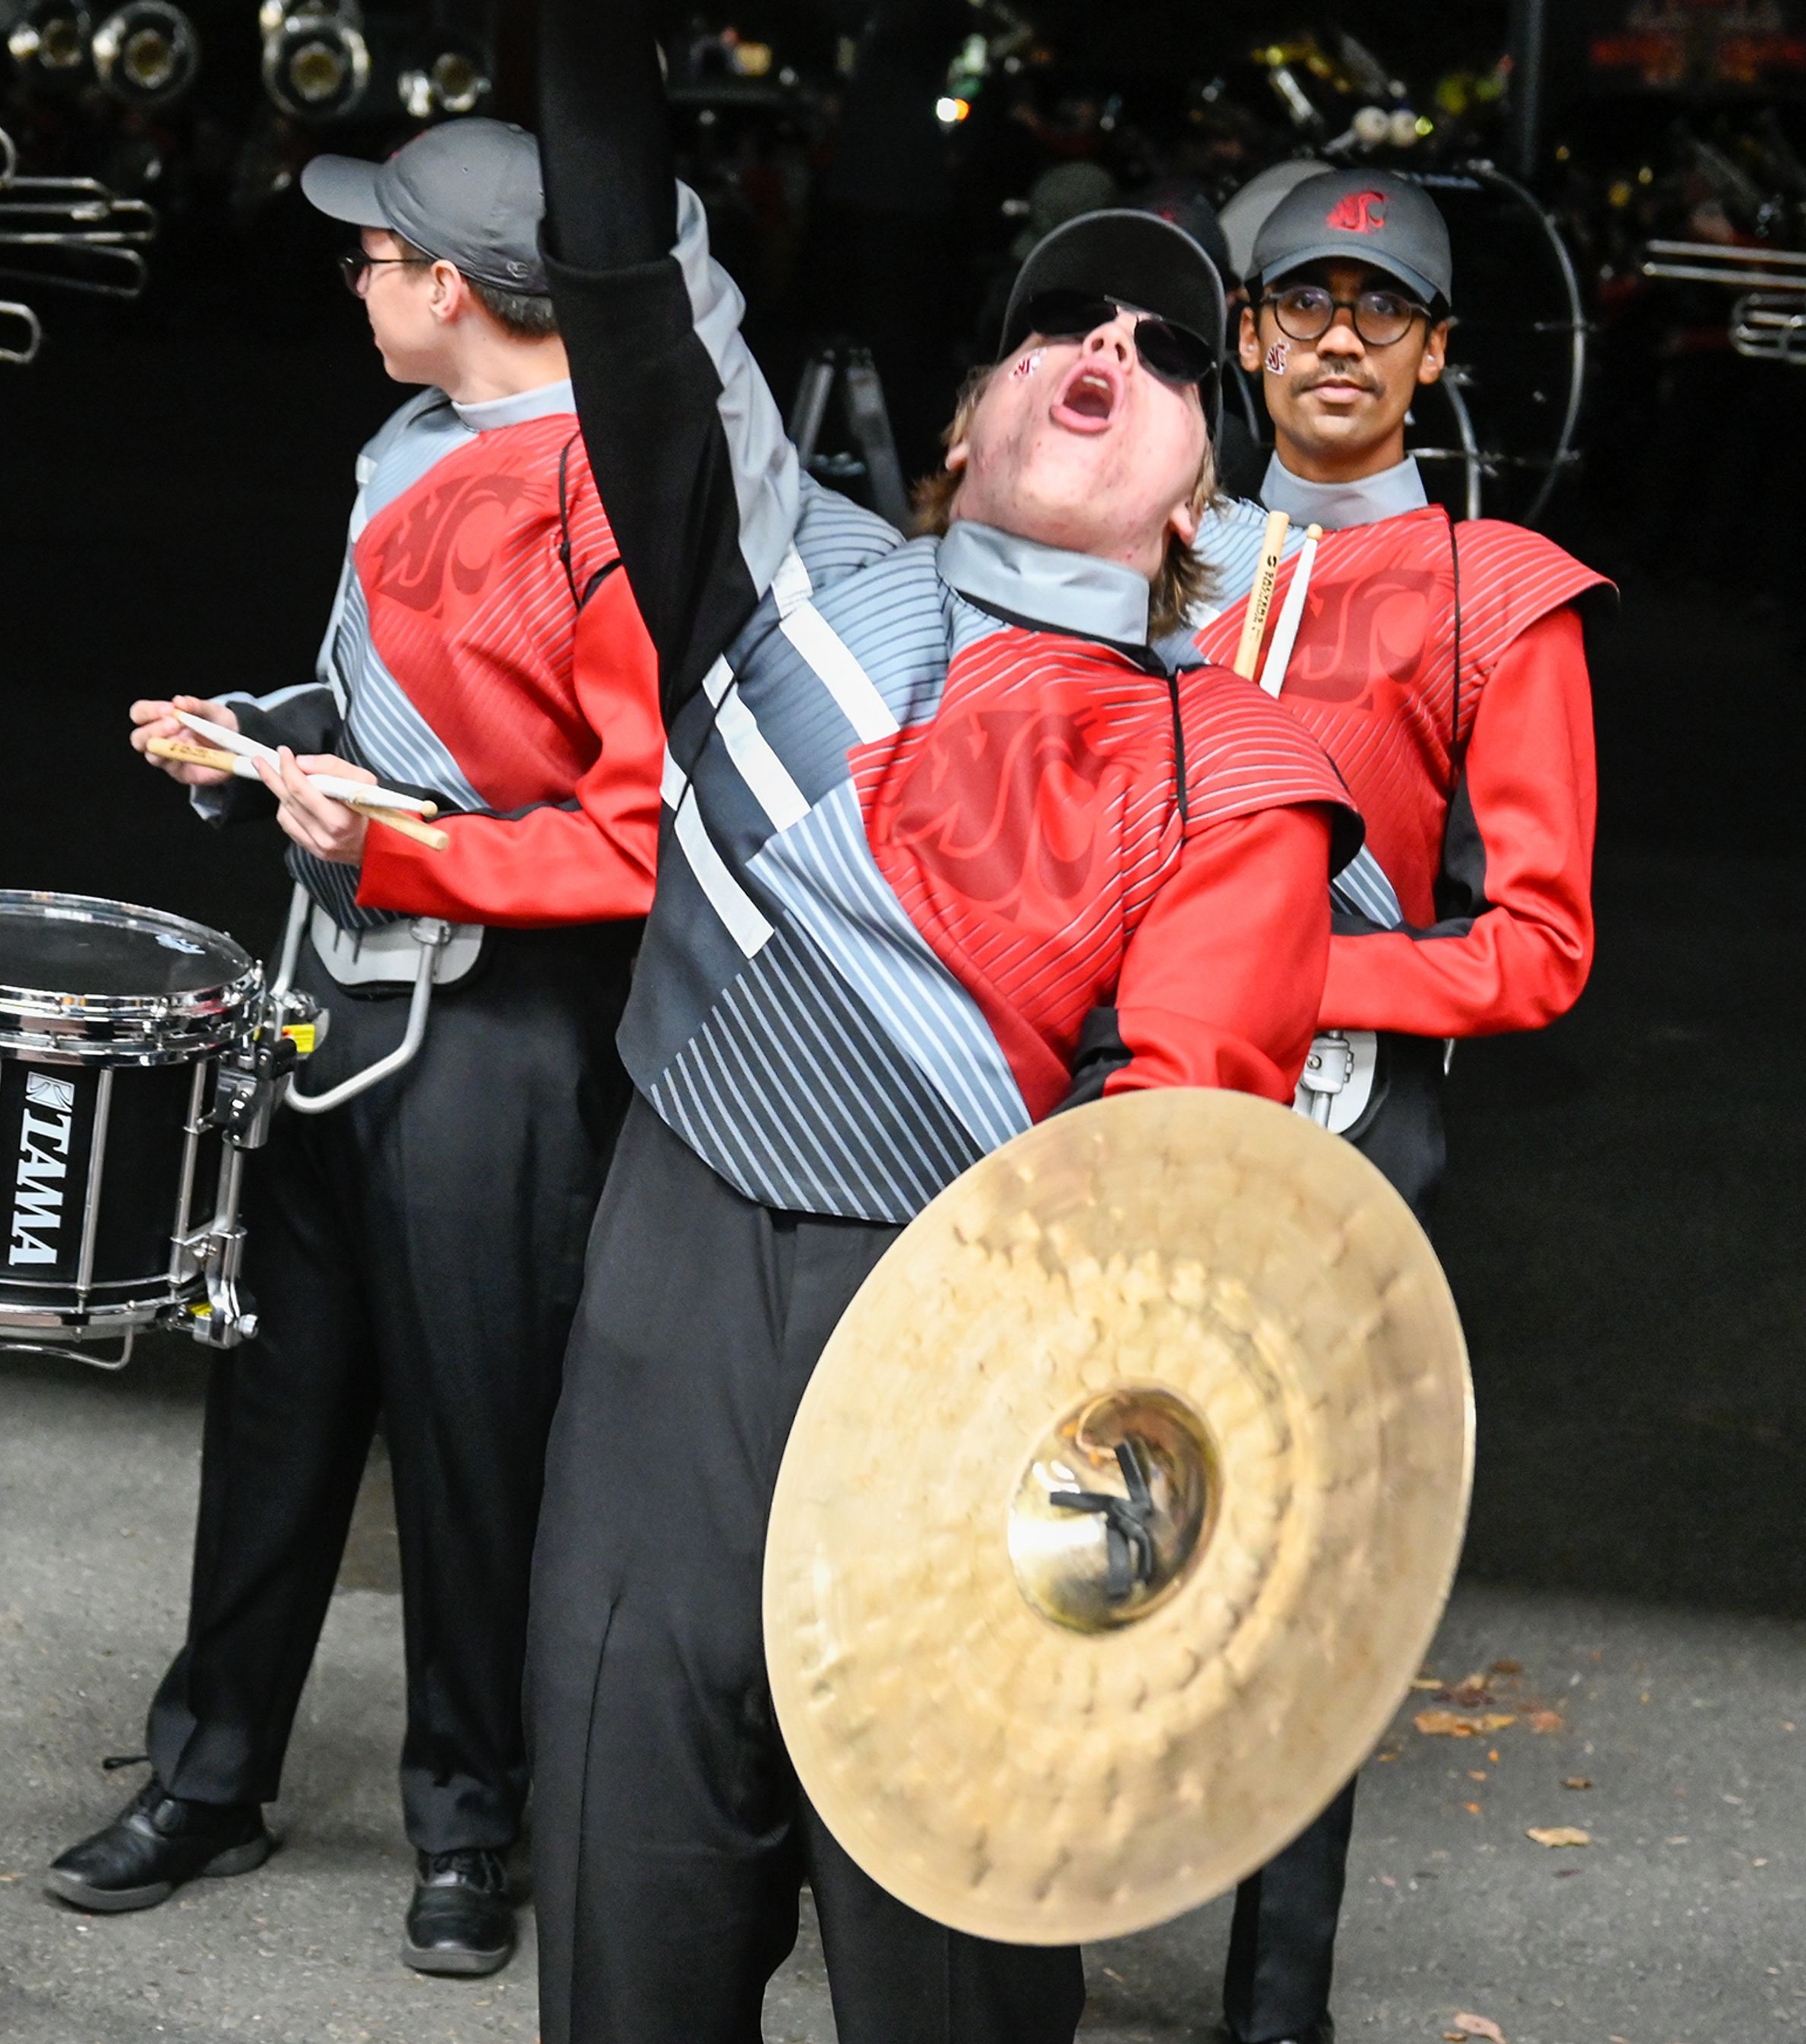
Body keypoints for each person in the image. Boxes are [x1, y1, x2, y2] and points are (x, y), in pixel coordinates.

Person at [521, 4, 1365, 2038]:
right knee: (624, 1959)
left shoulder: (1237, 766)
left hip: (987, 1379)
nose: (1123, 360)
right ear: (963, 425)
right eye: (1068, 331)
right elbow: (631, 271)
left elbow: (1173, 1161)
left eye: (1176, 363)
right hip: (670, 1327)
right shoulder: (778, 571)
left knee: (959, 2001)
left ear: (1197, 512)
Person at [46, 119, 663, 1978]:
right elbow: (380, 696)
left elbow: (640, 833)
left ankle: (476, 1818)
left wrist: (395, 840)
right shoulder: (408, 444)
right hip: (329, 995)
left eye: (375, 256)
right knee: (277, 1411)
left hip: (497, 1042)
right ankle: (210, 1769)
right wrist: (256, 739)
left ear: (452, 285)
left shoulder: (614, 493)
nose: (357, 280)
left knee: (480, 1452)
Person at [1180, 169, 1608, 2044]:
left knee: (1305, 1554)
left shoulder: (1498, 593)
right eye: (1303, 301)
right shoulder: (1154, 541)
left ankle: (1280, 1992)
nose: (1338, 335)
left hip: (1352, 1125)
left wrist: (1284, 975)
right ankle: (1015, 1911)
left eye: (1382, 308)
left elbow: (1537, 947)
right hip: (1116, 1102)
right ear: (1251, 333)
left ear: (1434, 354)